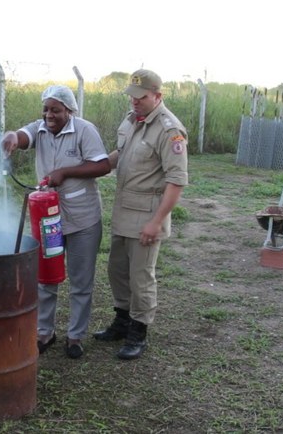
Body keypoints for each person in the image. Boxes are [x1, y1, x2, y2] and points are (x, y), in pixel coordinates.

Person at [2, 85, 110, 359]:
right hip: (49, 220)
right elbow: (23, 136)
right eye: (46, 109)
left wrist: (65, 171)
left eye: (56, 110)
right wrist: (13, 137)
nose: (49, 115)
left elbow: (102, 165)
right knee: (45, 276)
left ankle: (75, 336)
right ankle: (44, 332)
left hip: (83, 218)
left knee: (80, 280)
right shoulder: (40, 128)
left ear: (69, 111)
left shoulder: (85, 130)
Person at [94, 69, 189, 361]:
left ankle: (139, 330)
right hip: (124, 209)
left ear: (158, 96)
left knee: (141, 277)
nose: (135, 102)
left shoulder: (169, 129)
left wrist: (156, 222)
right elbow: (119, 154)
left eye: (142, 97)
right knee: (117, 270)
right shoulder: (131, 119)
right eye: (132, 96)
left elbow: (176, 181)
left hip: (148, 213)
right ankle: (122, 320)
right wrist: (91, 166)